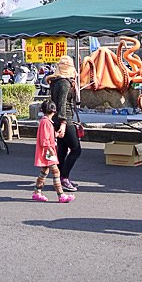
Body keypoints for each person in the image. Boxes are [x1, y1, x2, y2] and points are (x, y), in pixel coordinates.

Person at [48, 55, 82, 192]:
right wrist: (63, 122)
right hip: (64, 118)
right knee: (76, 149)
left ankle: (60, 178)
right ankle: (64, 177)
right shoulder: (64, 83)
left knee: (62, 149)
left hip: (58, 118)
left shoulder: (56, 82)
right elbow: (62, 104)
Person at [32, 100, 73, 203]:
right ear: (53, 111)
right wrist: (50, 149)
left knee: (44, 172)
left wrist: (55, 134)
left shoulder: (45, 122)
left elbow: (47, 136)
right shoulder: (46, 122)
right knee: (56, 172)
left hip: (46, 150)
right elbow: (44, 139)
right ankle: (61, 195)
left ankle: (37, 192)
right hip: (48, 151)